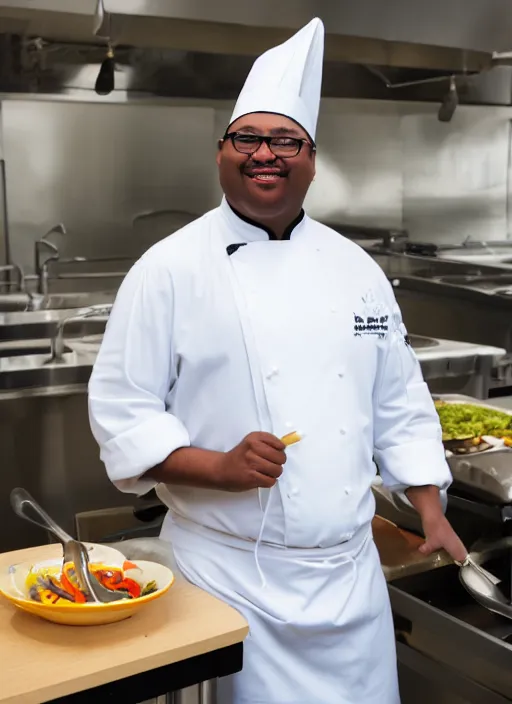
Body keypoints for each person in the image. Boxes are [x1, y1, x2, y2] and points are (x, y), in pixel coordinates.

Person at [89, 17, 467, 704]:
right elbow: (124, 414)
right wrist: (218, 468)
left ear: (311, 158)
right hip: (227, 579)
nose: (266, 153)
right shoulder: (168, 268)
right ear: (221, 152)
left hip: (350, 583)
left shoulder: (355, 269)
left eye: (285, 140)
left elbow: (397, 398)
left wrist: (427, 500)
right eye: (248, 138)